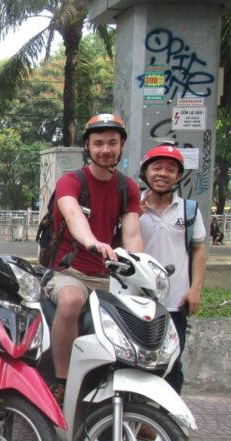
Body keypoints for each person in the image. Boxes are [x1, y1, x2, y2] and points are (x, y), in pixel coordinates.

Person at [45, 113, 143, 405]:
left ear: (122, 145)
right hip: (70, 271)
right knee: (71, 301)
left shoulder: (128, 188)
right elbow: (72, 213)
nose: (105, 149)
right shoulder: (70, 181)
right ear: (88, 146)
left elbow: (133, 234)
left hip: (108, 278)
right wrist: (91, 242)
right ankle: (62, 382)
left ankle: (133, 397)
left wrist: (139, 266)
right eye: (98, 143)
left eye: (112, 142)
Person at [139, 144, 207, 394]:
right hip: (136, 300)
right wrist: (132, 214)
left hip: (174, 302)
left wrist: (195, 289)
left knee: (172, 362)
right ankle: (138, 418)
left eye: (170, 169)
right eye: (157, 167)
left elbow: (198, 250)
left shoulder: (189, 210)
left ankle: (169, 421)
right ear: (146, 172)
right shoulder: (131, 207)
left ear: (178, 176)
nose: (163, 173)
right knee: (136, 360)